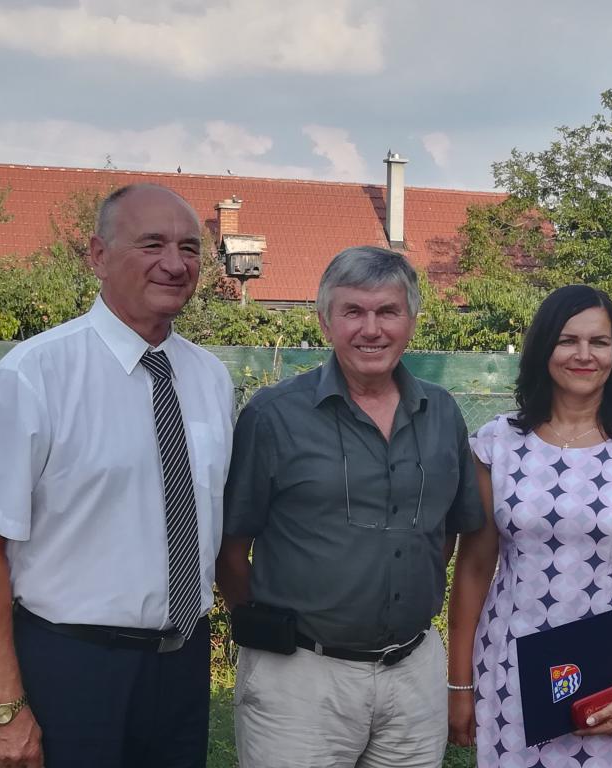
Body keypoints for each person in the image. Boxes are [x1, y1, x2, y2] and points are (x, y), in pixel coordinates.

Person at [0, 183, 234, 768]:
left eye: (189, 248)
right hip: (71, 667)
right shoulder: (34, 376)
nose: (174, 264)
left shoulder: (210, 378)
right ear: (97, 255)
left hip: (182, 665)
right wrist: (0, 706)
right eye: (152, 244)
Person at [216, 245, 484, 768]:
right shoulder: (273, 417)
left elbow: (447, 530)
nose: (371, 329)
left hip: (413, 674)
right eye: (353, 311)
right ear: (325, 321)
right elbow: (229, 548)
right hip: (299, 678)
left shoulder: (441, 413)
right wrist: (272, 627)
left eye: (388, 311)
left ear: (411, 320)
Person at [447, 284, 612, 767]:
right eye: (567, 340)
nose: (584, 355)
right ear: (543, 348)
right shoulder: (497, 444)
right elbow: (473, 569)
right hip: (511, 669)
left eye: (599, 342)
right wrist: (459, 684)